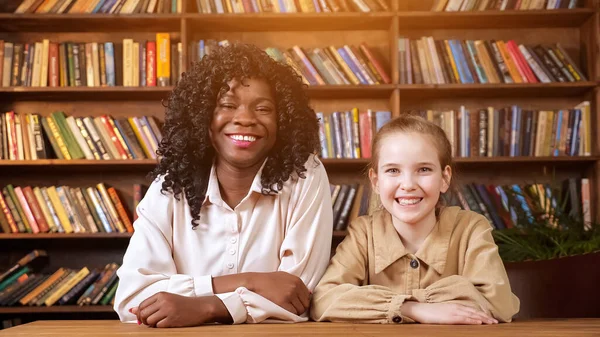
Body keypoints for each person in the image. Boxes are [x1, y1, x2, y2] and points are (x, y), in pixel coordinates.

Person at [113, 43, 333, 328]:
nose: (245, 119)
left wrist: (207, 306)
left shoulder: (305, 176)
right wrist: (249, 281)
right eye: (227, 105)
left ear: (283, 121)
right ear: (202, 117)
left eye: (263, 108)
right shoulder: (169, 187)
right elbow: (132, 298)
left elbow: (297, 295)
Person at [310, 115, 520, 324]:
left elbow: (498, 304)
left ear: (444, 178)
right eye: (393, 170)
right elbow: (323, 300)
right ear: (375, 181)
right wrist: (412, 308)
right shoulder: (363, 233)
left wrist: (380, 302)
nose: (408, 184)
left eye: (424, 169)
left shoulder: (471, 228)